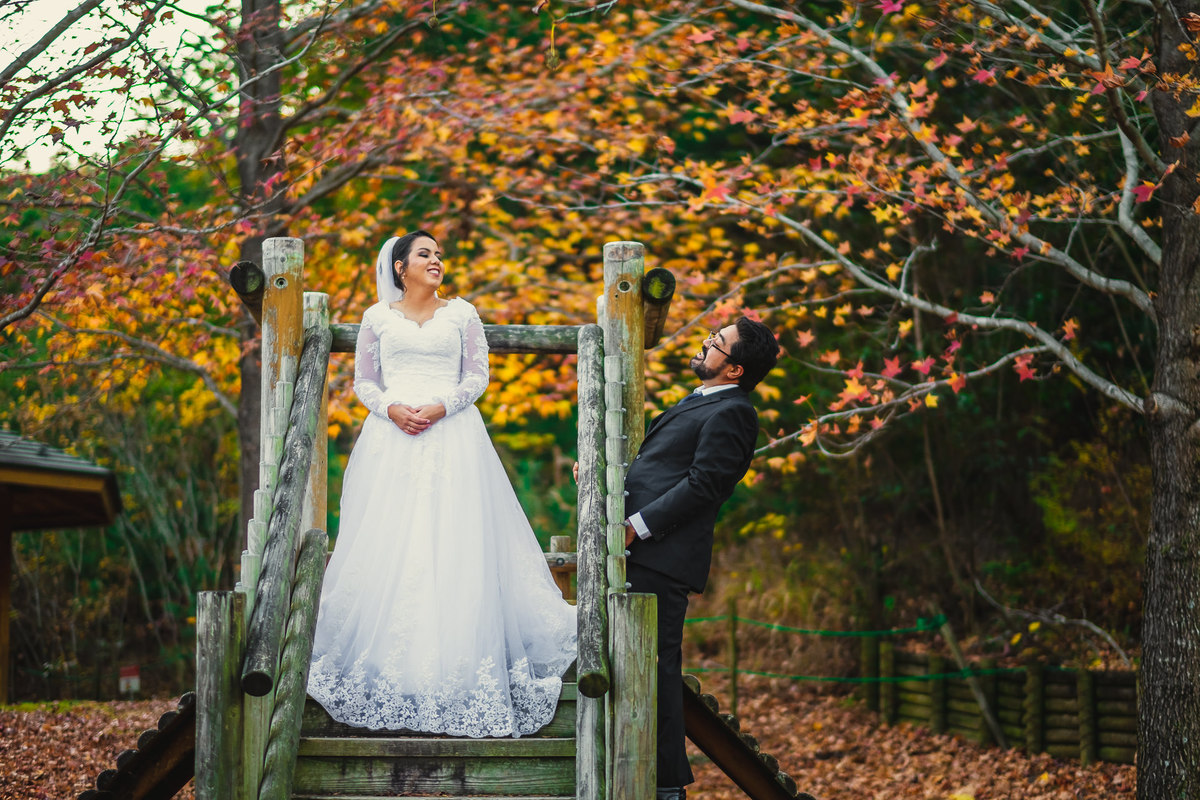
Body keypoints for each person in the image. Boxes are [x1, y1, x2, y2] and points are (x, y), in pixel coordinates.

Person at [308, 230, 577, 738]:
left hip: (453, 434)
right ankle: (397, 662)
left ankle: (459, 658)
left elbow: (477, 376)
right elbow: (364, 380)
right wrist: (390, 408)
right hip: (392, 438)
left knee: (455, 540)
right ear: (400, 267)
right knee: (394, 541)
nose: (436, 261)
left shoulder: (462, 313)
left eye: (439, 255)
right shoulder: (376, 317)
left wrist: (442, 406)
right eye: (425, 254)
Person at [623, 318, 779, 800]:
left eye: (718, 342)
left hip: (660, 556)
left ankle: (666, 787)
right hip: (641, 551)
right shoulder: (701, 399)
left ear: (734, 370)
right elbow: (660, 468)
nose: (706, 342)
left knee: (655, 672)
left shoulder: (735, 413)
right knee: (637, 667)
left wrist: (636, 526)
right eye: (713, 335)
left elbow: (704, 484)